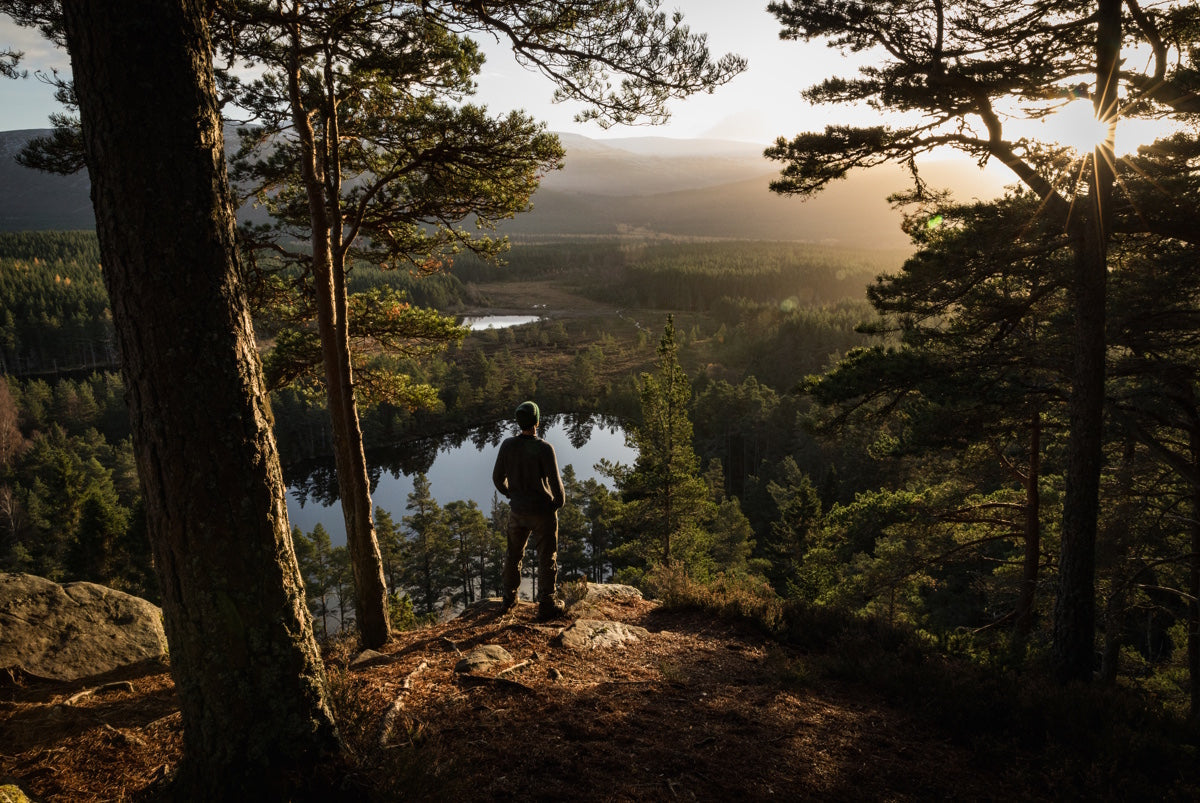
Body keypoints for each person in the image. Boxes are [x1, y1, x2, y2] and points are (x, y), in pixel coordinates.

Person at [492, 400, 568, 620]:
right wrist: (556, 505)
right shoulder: (544, 448)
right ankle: (546, 603)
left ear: (519, 422)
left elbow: (497, 479)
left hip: (518, 511)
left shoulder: (507, 445)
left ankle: (508, 599)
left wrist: (510, 494)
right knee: (547, 558)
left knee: (513, 555)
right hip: (542, 513)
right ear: (537, 421)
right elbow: (557, 488)